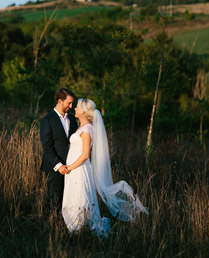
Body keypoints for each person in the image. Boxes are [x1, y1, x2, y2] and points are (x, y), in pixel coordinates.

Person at [61, 99, 147, 236]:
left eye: (77, 107)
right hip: (74, 169)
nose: (75, 109)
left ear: (83, 111)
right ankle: (76, 227)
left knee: (80, 196)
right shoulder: (81, 128)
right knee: (75, 195)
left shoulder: (87, 130)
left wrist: (70, 167)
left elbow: (84, 155)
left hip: (79, 169)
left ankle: (81, 228)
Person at [40, 88, 76, 215]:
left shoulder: (72, 119)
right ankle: (50, 228)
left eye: (72, 103)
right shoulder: (47, 120)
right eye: (69, 103)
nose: (71, 106)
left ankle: (65, 227)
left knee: (69, 200)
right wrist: (59, 166)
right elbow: (47, 147)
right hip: (54, 167)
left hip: (71, 167)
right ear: (60, 101)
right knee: (54, 200)